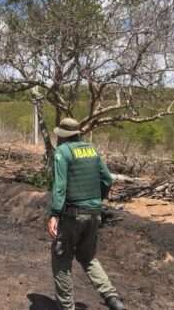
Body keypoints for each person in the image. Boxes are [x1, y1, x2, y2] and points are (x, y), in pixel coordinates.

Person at [48, 118, 125, 310]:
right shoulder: (92, 149)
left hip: (73, 214)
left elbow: (60, 187)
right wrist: (98, 200)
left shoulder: (62, 151)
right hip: (94, 213)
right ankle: (112, 298)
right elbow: (107, 179)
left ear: (62, 135)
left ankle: (66, 306)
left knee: (61, 257)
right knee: (88, 257)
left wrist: (54, 213)